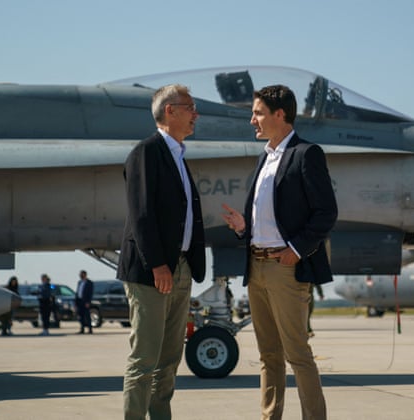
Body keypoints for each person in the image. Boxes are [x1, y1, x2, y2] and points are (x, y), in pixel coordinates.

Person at [222, 84, 337, 420]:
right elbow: (274, 216)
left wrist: (297, 249)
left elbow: (326, 212)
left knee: (297, 354)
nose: (252, 121)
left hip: (285, 268)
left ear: (280, 115)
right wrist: (245, 228)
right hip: (256, 266)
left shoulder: (306, 153)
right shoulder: (266, 157)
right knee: (268, 355)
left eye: (257, 113)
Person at [117, 83, 206, 419]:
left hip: (180, 268)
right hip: (152, 272)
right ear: (170, 110)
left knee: (169, 362)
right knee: (144, 360)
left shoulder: (179, 156)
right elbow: (141, 214)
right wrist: (158, 264)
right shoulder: (146, 153)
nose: (195, 114)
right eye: (190, 107)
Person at [75, 270, 94, 334]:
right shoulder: (79, 282)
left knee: (87, 316)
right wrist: (76, 302)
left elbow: (90, 293)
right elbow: (78, 292)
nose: (80, 276)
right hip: (79, 301)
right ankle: (82, 329)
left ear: (85, 275)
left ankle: (90, 329)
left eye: (82, 274)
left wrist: (88, 302)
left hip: (86, 302)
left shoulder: (89, 283)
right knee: (81, 316)